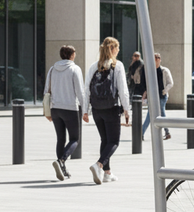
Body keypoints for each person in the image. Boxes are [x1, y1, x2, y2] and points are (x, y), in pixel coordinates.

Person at [83, 37, 130, 184]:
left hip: (97, 109)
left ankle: (107, 173)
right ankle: (99, 164)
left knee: (105, 140)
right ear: (112, 49)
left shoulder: (93, 66)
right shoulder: (118, 66)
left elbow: (86, 90)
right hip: (111, 108)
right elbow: (123, 90)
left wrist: (85, 111)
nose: (119, 51)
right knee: (114, 141)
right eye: (117, 48)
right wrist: (127, 110)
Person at [44, 45, 85, 181]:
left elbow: (46, 91)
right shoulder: (75, 69)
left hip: (55, 109)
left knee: (60, 139)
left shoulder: (52, 69)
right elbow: (80, 92)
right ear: (71, 55)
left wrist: (47, 110)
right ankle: (61, 160)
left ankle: (62, 168)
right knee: (74, 139)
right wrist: (85, 110)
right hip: (70, 109)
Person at [141, 53, 174, 140]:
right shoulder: (150, 71)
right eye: (155, 58)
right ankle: (166, 132)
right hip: (153, 96)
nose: (157, 59)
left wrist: (164, 91)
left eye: (158, 58)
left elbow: (171, 83)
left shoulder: (164, 70)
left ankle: (142, 133)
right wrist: (146, 94)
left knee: (161, 113)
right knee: (150, 114)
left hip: (162, 96)